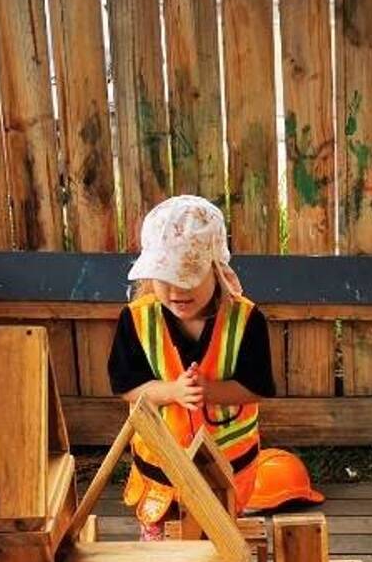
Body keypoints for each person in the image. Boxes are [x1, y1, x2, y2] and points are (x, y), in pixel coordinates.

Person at [107, 196, 274, 538]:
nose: (176, 290)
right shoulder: (137, 319)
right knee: (164, 550)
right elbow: (127, 385)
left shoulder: (246, 321)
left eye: (189, 276)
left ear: (216, 269)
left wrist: (208, 391)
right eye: (164, 277)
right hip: (161, 470)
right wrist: (172, 392)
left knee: (218, 540)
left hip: (226, 470)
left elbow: (257, 385)